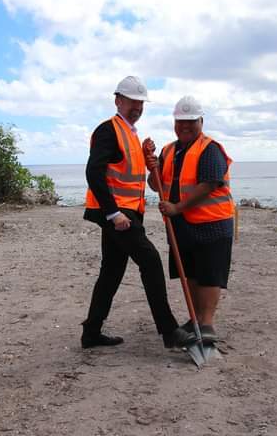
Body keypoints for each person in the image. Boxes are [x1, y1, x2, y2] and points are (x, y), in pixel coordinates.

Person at [82, 76, 197, 350]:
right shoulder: (108, 130)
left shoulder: (131, 134)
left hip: (128, 212)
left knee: (111, 272)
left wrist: (150, 160)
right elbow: (93, 172)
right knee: (151, 260)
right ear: (118, 100)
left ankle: (91, 333)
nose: (137, 107)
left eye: (140, 103)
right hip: (116, 214)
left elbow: (131, 173)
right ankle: (169, 331)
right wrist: (112, 213)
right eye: (132, 101)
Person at [146, 95, 234, 344]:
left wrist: (178, 207)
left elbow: (208, 185)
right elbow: (155, 185)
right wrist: (149, 166)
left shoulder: (210, 149)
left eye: (190, 121)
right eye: (180, 121)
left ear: (201, 121)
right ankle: (194, 318)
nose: (184, 126)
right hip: (181, 226)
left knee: (209, 274)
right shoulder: (168, 150)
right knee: (191, 273)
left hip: (212, 223)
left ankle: (206, 324)